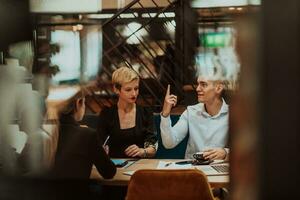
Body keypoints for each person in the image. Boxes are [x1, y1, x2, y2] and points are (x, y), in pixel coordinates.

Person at [51, 89, 116, 179]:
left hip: (43, 192)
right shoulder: (88, 135)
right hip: (77, 192)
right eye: (84, 103)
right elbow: (109, 173)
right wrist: (102, 155)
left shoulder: (47, 132)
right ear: (78, 103)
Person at [160, 76, 229, 160]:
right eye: (198, 84)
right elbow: (169, 143)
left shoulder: (233, 115)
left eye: (203, 84)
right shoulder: (191, 112)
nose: (197, 89)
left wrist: (225, 153)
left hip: (218, 169)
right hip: (193, 169)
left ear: (218, 88)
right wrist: (165, 115)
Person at [97, 67, 157, 158]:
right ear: (116, 89)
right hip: (115, 166)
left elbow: (153, 148)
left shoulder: (145, 113)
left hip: (139, 166)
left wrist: (142, 151)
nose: (134, 94)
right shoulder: (107, 114)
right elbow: (100, 143)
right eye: (128, 90)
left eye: (136, 89)